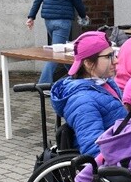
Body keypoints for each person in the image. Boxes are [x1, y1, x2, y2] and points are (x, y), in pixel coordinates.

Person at [49, 30, 126, 158]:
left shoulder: (104, 83)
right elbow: (93, 149)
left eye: (114, 54)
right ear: (88, 63)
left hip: (124, 149)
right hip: (116, 162)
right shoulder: (82, 101)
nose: (116, 61)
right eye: (108, 56)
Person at [26, 0, 89, 87]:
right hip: (62, 21)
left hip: (48, 21)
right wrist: (83, 15)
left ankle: (77, 76)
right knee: (56, 55)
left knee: (62, 49)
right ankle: (43, 85)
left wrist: (31, 16)